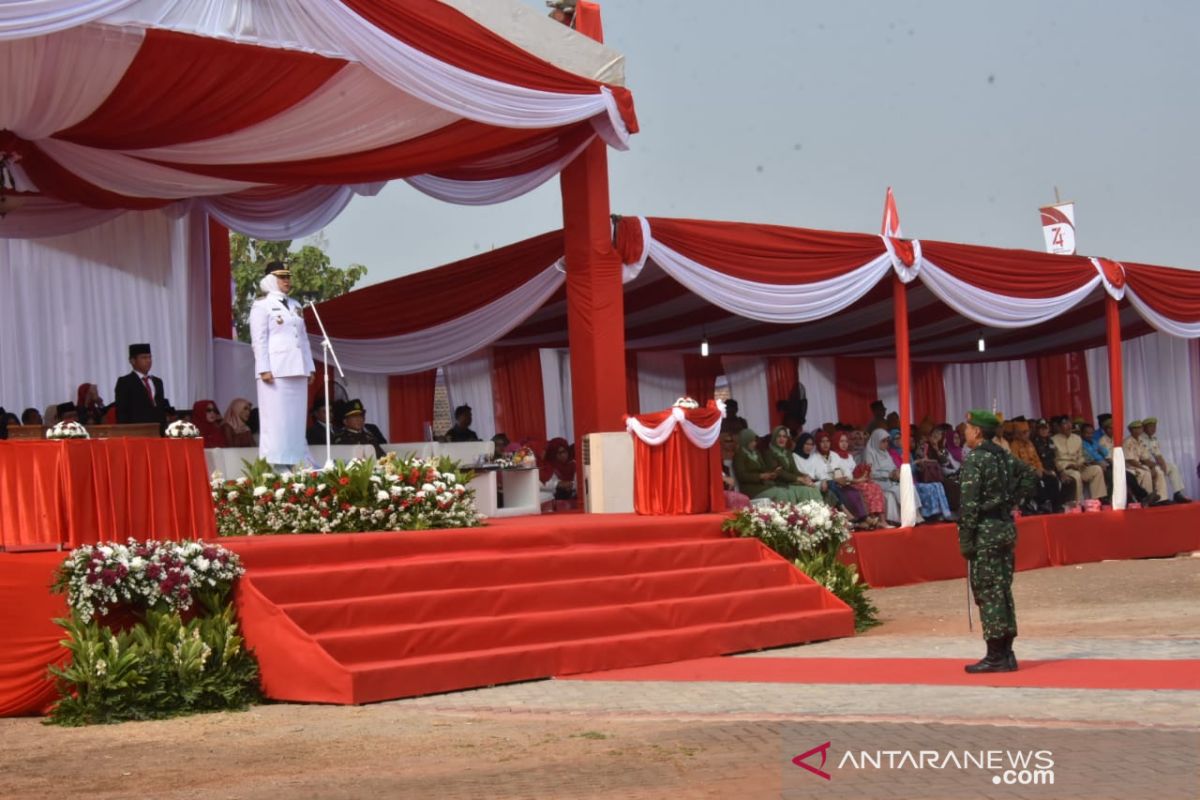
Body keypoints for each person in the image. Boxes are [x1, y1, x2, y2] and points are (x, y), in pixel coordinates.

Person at [958, 409, 1037, 674]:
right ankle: (1007, 652)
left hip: (985, 532)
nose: (965, 432)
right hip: (1004, 528)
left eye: (968, 428)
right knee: (1003, 590)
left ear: (977, 431)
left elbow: (968, 507)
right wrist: (1009, 500)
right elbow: (1030, 474)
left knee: (988, 592)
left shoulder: (976, 460)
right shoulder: (1002, 455)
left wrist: (966, 541)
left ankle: (995, 656)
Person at [249, 261, 315, 469]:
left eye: (288, 277)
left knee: (295, 420)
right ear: (271, 280)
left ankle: (297, 461)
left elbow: (303, 338)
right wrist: (263, 368)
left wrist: (310, 366)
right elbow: (258, 339)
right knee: (276, 419)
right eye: (282, 277)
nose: (287, 281)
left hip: (297, 367)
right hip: (275, 369)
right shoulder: (262, 305)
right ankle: (276, 464)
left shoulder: (295, 305)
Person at [890, 428, 950, 521]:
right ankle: (928, 513)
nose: (899, 440)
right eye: (896, 438)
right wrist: (916, 463)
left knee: (937, 485)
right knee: (928, 488)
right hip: (903, 481)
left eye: (900, 437)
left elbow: (945, 463)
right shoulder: (891, 454)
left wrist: (920, 466)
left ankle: (941, 513)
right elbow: (900, 470)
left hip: (917, 478)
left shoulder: (906, 452)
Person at [1009, 419, 1062, 514]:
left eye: (1027, 432)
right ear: (1018, 434)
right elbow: (1017, 463)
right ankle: (1041, 505)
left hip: (1037, 470)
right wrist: (1034, 470)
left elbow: (1037, 459)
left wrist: (1041, 469)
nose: (1027, 434)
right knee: (1036, 480)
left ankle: (1055, 506)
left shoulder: (1030, 443)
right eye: (1024, 432)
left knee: (1052, 479)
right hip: (1025, 472)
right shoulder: (1014, 445)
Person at [1051, 415, 1106, 505]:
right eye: (1065, 424)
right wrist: (1065, 467)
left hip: (1079, 467)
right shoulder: (1053, 440)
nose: (1068, 426)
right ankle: (1079, 503)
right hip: (1066, 469)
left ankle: (1096, 501)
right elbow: (1054, 460)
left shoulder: (1077, 438)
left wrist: (1081, 463)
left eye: (1069, 423)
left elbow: (1081, 456)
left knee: (1097, 469)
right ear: (1059, 427)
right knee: (1076, 475)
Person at [114, 343, 171, 426]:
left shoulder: (157, 381)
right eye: (144, 357)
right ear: (132, 361)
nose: (148, 360)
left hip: (158, 431)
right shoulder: (125, 382)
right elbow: (122, 412)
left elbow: (160, 408)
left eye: (150, 357)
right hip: (137, 431)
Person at [766, 426, 823, 503]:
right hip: (780, 484)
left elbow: (794, 470)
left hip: (791, 483)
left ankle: (818, 512)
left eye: (784, 436)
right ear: (774, 437)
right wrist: (799, 479)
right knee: (805, 490)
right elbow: (779, 472)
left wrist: (804, 476)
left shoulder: (788, 453)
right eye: (779, 436)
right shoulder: (769, 453)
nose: (782, 439)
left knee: (813, 488)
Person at [1140, 418, 1190, 503]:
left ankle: (1177, 494)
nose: (1153, 429)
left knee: (1172, 467)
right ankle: (1162, 499)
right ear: (1144, 428)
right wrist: (1155, 466)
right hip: (1143, 465)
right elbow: (1141, 458)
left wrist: (1163, 465)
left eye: (1154, 426)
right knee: (1158, 470)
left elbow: (1158, 455)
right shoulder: (1140, 439)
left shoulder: (1153, 439)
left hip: (1154, 464)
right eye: (1151, 426)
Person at [863, 428, 904, 524]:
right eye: (883, 441)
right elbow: (871, 473)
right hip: (878, 482)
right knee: (898, 490)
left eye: (887, 441)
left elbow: (893, 466)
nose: (886, 444)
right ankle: (896, 519)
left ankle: (913, 514)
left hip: (891, 481)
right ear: (876, 440)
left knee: (908, 487)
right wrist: (888, 475)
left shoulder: (886, 453)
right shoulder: (869, 453)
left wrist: (896, 472)